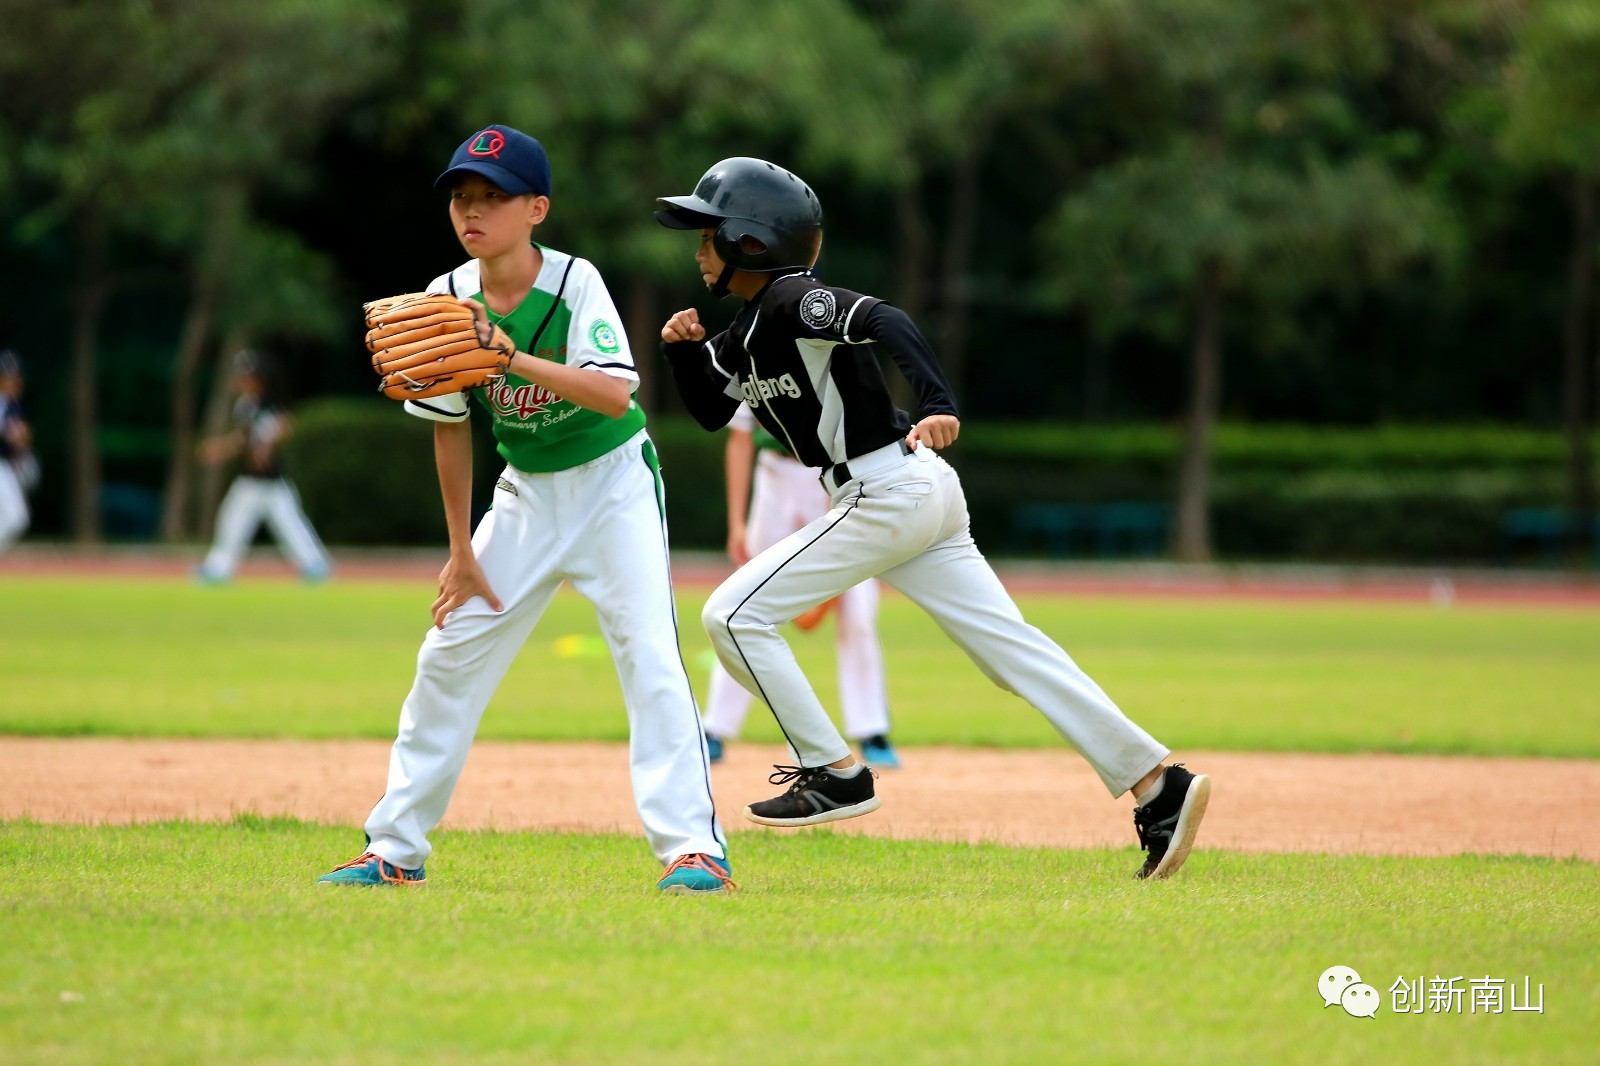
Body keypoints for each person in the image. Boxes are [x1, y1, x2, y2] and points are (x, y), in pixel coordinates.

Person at [655, 157, 1209, 880]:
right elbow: (710, 411)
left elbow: (885, 318)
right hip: (912, 495)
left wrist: (937, 401)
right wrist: (683, 353)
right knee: (1011, 653)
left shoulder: (795, 300)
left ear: (749, 241)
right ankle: (1158, 787)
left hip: (885, 492)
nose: (697, 249)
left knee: (731, 615)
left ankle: (835, 773)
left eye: (707, 234)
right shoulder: (747, 330)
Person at [318, 125, 731, 893]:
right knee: (448, 655)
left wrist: (506, 356)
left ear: (536, 207)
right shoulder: (446, 296)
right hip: (525, 497)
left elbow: (614, 393)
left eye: (493, 197)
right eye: (462, 196)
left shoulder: (576, 283)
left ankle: (693, 850)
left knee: (648, 656)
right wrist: (460, 551)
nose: (472, 211)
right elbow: (449, 429)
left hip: (613, 486)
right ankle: (394, 850)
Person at [702, 402, 900, 769]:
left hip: (841, 481)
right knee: (742, 605)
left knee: (857, 610)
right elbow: (741, 439)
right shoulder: (751, 352)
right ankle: (715, 728)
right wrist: (736, 522)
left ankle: (871, 729)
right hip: (775, 478)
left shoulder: (836, 349)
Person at [194, 351, 332, 583]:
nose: (240, 380)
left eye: (245, 375)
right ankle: (219, 567)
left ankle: (314, 565)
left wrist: (268, 445)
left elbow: (285, 425)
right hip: (252, 478)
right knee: (237, 519)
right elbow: (243, 439)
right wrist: (221, 450)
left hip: (271, 477)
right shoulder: (246, 405)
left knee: (288, 523)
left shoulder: (269, 403)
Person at [0, 349, 36, 551]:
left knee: (16, 518)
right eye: (7, 376)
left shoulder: (13, 405)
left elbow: (20, 440)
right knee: (15, 517)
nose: (12, 381)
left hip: (4, 466)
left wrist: (22, 441)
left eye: (15, 376)